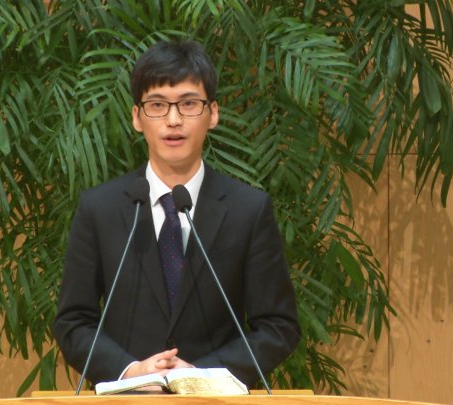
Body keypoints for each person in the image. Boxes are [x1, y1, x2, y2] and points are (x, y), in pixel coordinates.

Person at [53, 40, 300, 387]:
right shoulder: (100, 209)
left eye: (188, 104)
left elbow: (278, 327)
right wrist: (130, 371)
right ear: (137, 117)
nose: (173, 120)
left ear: (213, 113)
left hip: (215, 399)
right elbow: (73, 322)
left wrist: (200, 375)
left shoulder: (248, 210)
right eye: (157, 105)